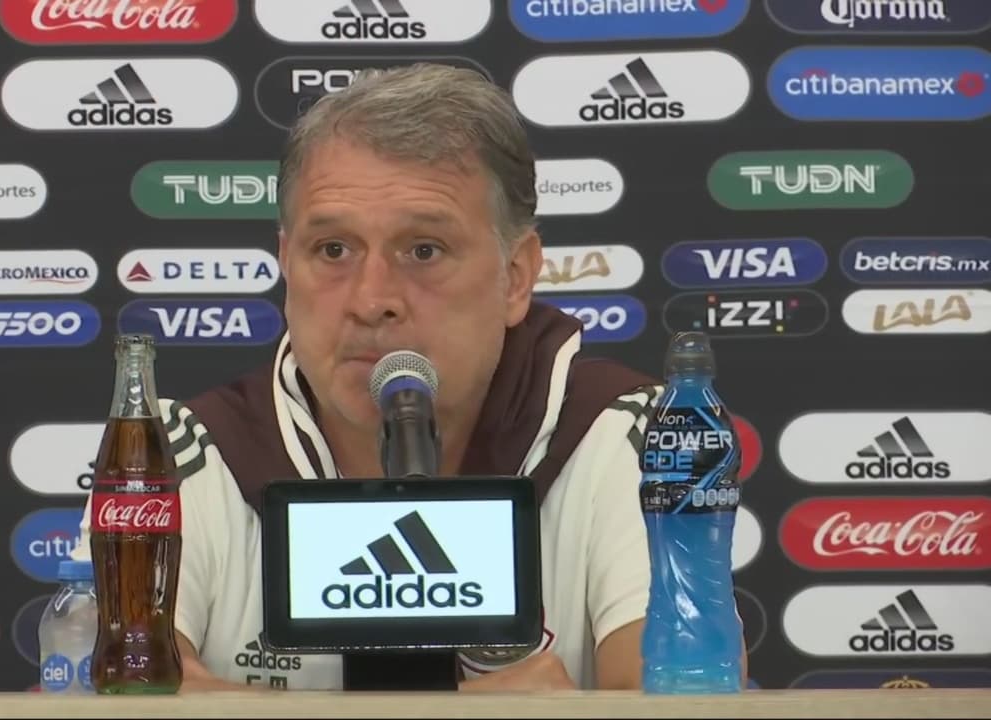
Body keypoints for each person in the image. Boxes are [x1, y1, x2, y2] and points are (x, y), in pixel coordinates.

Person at [73, 63, 743, 691]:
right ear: (286, 263)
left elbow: (682, 696)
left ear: (516, 276)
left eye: (424, 249)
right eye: (332, 249)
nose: (372, 300)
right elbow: (124, 696)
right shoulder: (174, 455)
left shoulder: (631, 437)